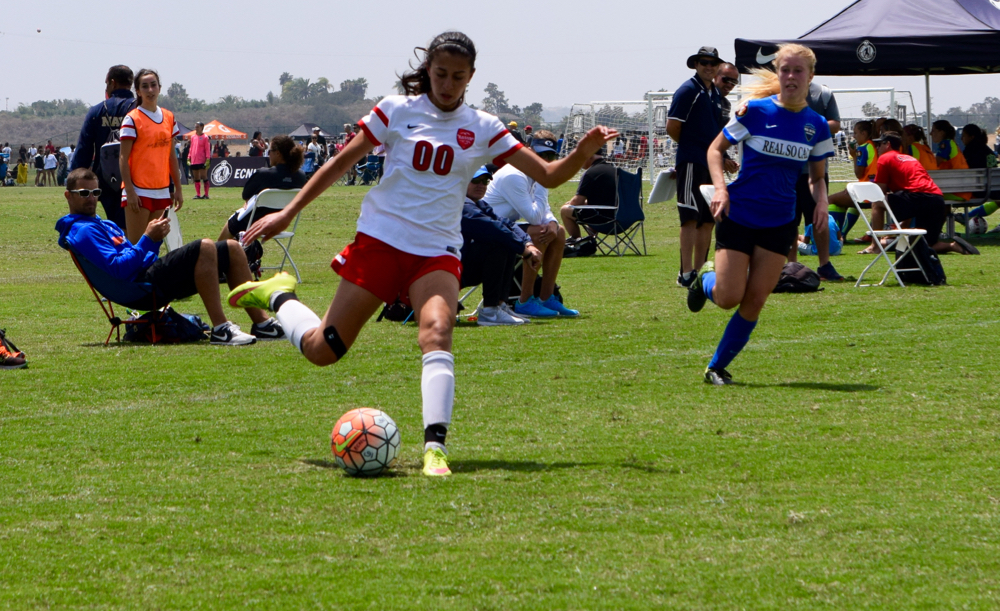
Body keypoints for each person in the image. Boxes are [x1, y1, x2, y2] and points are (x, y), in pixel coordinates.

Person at [226, 31, 616, 477]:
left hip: (437, 250)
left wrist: (584, 151)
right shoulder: (396, 111)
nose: (448, 84)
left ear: (471, 77)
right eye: (440, 73)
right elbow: (340, 164)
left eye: (458, 76)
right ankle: (279, 296)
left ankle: (435, 449)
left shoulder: (484, 126)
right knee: (324, 350)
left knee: (438, 331)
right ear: (427, 70)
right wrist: (287, 211)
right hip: (381, 241)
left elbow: (548, 175)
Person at [687, 43, 834, 386]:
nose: (791, 76)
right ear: (779, 74)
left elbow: (816, 177)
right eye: (786, 70)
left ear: (811, 77)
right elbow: (714, 150)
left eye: (799, 71)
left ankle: (716, 367)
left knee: (754, 302)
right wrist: (721, 188)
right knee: (728, 298)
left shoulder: (816, 126)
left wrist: (822, 200)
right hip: (739, 215)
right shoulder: (753, 111)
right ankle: (702, 278)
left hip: (781, 222)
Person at [57, 169, 283, 345]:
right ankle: (221, 329)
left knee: (232, 248)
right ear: (68, 196)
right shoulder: (83, 231)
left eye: (95, 193)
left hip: (145, 277)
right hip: (138, 289)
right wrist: (147, 238)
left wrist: (154, 240)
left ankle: (262, 323)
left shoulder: (103, 224)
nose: (91, 199)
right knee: (204, 247)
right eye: (84, 193)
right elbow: (119, 270)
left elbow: (136, 258)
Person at [483, 130, 581, 319]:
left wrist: (552, 222)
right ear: (528, 150)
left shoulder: (532, 174)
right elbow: (535, 217)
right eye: (540, 155)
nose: (545, 160)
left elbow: (543, 211)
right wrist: (545, 181)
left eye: (550, 156)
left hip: (505, 228)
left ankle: (547, 297)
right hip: (489, 234)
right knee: (539, 231)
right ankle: (525, 300)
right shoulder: (514, 175)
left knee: (558, 232)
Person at [865, 132, 978, 256]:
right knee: (925, 244)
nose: (877, 148)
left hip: (918, 197)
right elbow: (910, 198)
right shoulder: (910, 158)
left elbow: (880, 192)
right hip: (937, 199)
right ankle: (952, 246)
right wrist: (901, 228)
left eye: (879, 144)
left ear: (888, 144)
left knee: (877, 202)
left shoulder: (885, 158)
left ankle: (875, 246)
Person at [667, 45, 725, 288]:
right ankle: (686, 272)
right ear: (695, 64)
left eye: (712, 63)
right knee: (689, 218)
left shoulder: (715, 93)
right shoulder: (688, 90)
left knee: (708, 219)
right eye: (704, 62)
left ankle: (701, 272)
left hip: (710, 165)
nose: (708, 67)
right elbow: (672, 127)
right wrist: (692, 148)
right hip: (691, 162)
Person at [460, 166, 541, 326]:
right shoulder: (461, 205)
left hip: (461, 265)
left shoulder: (479, 204)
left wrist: (528, 242)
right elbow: (494, 228)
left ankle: (499, 306)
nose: (481, 185)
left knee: (505, 242)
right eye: (475, 180)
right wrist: (524, 251)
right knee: (499, 243)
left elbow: (505, 223)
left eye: (485, 181)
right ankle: (490, 311)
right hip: (445, 270)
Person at [784, 80, 844, 281]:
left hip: (815, 170)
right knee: (789, 219)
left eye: (800, 69)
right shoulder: (777, 92)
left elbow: (835, 123)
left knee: (819, 219)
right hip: (787, 170)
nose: (794, 74)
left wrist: (810, 127)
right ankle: (790, 265)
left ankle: (825, 265)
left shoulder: (823, 94)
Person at [119, 68, 183, 245]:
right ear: (138, 91)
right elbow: (123, 158)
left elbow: (171, 157)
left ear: (159, 88)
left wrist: (178, 188)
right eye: (144, 86)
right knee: (137, 246)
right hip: (138, 191)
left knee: (154, 247)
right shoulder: (132, 119)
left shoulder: (169, 117)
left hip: (162, 191)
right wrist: (130, 191)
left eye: (153, 85)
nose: (150, 90)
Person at [70, 65, 136, 230]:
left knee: (113, 224)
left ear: (112, 83)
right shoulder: (139, 110)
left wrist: (74, 182)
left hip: (105, 182)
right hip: (136, 179)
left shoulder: (96, 111)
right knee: (134, 227)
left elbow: (84, 151)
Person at [219, 136, 308, 241]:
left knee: (231, 226)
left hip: (253, 224)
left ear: (278, 153)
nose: (268, 154)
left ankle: (221, 255)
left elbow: (245, 195)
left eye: (270, 151)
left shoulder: (263, 174)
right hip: (277, 225)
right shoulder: (301, 177)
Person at [827, 120, 876, 240]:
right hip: (874, 191)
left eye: (856, 133)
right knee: (852, 205)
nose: (854, 136)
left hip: (867, 192)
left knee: (830, 200)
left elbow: (859, 174)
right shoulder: (873, 145)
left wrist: (854, 156)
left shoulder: (863, 149)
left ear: (864, 134)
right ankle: (842, 235)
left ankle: (834, 237)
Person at [559, 145, 616, 240]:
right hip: (621, 218)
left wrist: (570, 203)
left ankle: (577, 242)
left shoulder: (591, 173)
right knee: (591, 206)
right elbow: (605, 199)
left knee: (565, 210)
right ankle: (590, 239)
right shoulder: (615, 170)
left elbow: (577, 202)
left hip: (602, 218)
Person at [188, 122, 211, 200]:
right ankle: (198, 194)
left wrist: (208, 159)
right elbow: (191, 148)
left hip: (202, 160)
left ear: (202, 127)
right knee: (196, 178)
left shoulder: (205, 137)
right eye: (195, 126)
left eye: (197, 127)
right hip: (194, 160)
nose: (196, 128)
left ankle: (206, 194)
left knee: (204, 177)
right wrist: (189, 157)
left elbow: (207, 149)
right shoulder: (193, 137)